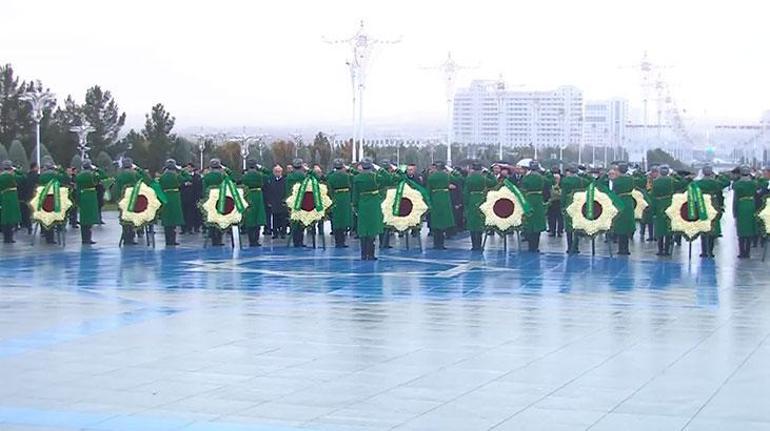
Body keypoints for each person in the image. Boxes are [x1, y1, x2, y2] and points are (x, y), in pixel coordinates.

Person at [695, 165, 730, 258]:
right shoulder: (716, 183)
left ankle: (704, 251)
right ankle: (710, 251)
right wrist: (719, 176)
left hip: (703, 204)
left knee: (703, 227)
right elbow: (727, 182)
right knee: (712, 227)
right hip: (713, 204)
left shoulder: (698, 183)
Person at [352, 158, 383, 260]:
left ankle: (363, 254)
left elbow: (355, 194)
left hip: (362, 204)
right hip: (374, 204)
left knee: (363, 229)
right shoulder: (375, 176)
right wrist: (380, 169)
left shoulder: (357, 178)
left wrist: (355, 206)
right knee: (372, 229)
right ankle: (371, 254)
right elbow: (388, 179)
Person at [114, 158, 150, 245]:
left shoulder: (119, 175)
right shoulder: (135, 174)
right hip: (134, 198)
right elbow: (147, 180)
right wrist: (139, 169)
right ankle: (132, 235)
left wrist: (117, 199)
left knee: (125, 218)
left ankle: (126, 237)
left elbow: (116, 189)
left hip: (123, 199)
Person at [463, 162, 496, 251]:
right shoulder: (484, 178)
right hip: (481, 199)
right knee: (479, 222)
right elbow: (494, 183)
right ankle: (479, 244)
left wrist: (466, 203)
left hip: (472, 199)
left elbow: (466, 192)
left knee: (472, 222)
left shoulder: (469, 178)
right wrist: (490, 173)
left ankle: (474, 245)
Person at [36, 159, 70, 244]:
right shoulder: (56, 174)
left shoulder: (42, 176)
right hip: (54, 197)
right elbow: (66, 179)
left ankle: (46, 234)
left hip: (44, 197)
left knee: (46, 216)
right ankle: (53, 235)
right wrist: (60, 170)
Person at [158, 159, 190, 247]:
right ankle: (172, 239)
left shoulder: (162, 177)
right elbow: (188, 178)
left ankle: (167, 240)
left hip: (165, 196)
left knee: (167, 218)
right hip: (175, 197)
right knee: (174, 219)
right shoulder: (177, 176)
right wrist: (182, 171)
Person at [651, 165, 681, 256]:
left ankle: (660, 250)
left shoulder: (655, 182)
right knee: (668, 227)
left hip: (659, 205)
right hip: (669, 204)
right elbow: (682, 184)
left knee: (660, 228)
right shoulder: (672, 181)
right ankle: (667, 250)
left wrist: (654, 210)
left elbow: (653, 196)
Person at [520, 160, 549, 252]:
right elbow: (549, 184)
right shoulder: (542, 178)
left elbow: (523, 188)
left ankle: (530, 245)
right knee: (538, 223)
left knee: (529, 221)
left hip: (528, 199)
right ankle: (536, 246)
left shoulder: (526, 178)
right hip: (538, 200)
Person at [75, 159, 104, 245]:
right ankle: (88, 238)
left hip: (82, 196)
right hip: (91, 196)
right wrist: (97, 169)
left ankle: (84, 238)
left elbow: (77, 187)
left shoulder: (79, 175)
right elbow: (103, 176)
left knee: (84, 218)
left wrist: (77, 199)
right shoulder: (93, 174)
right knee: (90, 218)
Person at [426, 161, 455, 249]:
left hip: (435, 198)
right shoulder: (447, 176)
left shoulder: (431, 177)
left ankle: (436, 243)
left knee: (436, 222)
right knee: (443, 222)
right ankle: (441, 244)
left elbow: (428, 189)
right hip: (445, 199)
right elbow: (456, 179)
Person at [560, 164, 588, 254]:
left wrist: (562, 205)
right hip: (579, 203)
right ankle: (576, 246)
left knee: (568, 225)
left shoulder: (565, 181)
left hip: (569, 202)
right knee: (577, 224)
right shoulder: (583, 181)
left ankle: (569, 246)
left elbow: (563, 194)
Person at [202, 158, 230, 246]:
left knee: (212, 218)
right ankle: (219, 239)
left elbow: (204, 189)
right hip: (220, 199)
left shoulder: (206, 176)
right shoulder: (222, 176)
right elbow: (231, 178)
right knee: (220, 218)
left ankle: (213, 238)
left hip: (210, 199)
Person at [241, 159, 269, 247]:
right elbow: (268, 173)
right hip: (258, 196)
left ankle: (251, 240)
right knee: (258, 218)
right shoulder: (260, 175)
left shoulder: (245, 176)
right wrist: (261, 168)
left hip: (248, 195)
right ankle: (256, 240)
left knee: (250, 218)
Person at [610, 163, 635, 255]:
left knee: (620, 226)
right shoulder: (631, 179)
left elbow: (614, 191)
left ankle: (621, 249)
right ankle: (627, 249)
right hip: (629, 202)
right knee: (627, 225)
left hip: (620, 201)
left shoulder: (616, 180)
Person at [326, 159, 353, 248]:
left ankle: (338, 241)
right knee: (344, 219)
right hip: (346, 198)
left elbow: (329, 188)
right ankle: (343, 240)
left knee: (337, 219)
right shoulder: (347, 176)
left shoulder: (331, 176)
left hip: (336, 197)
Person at [733, 165, 758, 258]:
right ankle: (748, 252)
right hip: (751, 205)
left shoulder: (737, 184)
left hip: (741, 206)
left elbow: (735, 199)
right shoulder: (754, 184)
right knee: (749, 230)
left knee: (741, 230)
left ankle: (742, 252)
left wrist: (734, 212)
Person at [0, 161, 24, 244]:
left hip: (3, 197)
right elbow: (23, 177)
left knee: (5, 219)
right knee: (11, 219)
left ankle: (6, 238)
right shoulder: (12, 176)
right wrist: (16, 170)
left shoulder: (1, 176)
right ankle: (9, 238)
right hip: (12, 198)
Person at [285, 159, 307, 247]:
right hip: (302, 200)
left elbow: (287, 189)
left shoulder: (289, 177)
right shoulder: (304, 176)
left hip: (292, 200)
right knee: (301, 220)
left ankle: (295, 241)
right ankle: (300, 241)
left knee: (294, 221)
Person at [264, 165, 288, 239]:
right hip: (274, 202)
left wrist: (286, 200)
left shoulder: (285, 180)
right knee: (275, 218)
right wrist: (269, 201)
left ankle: (283, 232)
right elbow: (267, 192)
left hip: (282, 202)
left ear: (281, 172)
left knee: (283, 218)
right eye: (276, 171)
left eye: (279, 171)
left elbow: (286, 191)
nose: (277, 173)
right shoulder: (270, 181)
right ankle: (275, 233)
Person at [547, 173, 563, 238]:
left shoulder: (561, 185)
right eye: (555, 178)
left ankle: (559, 231)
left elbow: (560, 194)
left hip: (559, 202)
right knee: (552, 218)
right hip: (552, 203)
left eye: (557, 178)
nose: (556, 180)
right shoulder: (550, 185)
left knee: (560, 218)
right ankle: (552, 231)